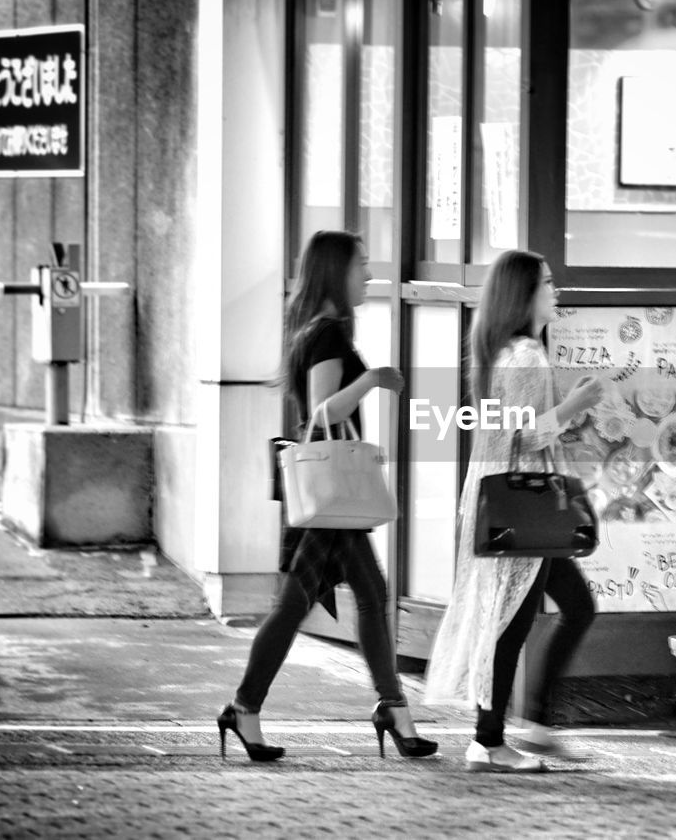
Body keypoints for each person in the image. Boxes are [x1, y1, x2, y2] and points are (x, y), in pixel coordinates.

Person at [218, 230, 436, 763]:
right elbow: (323, 413)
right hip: (326, 494)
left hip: (328, 494)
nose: (368, 274)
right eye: (361, 265)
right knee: (300, 603)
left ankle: (393, 710)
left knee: (362, 595)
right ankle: (246, 707)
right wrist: (376, 379)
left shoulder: (317, 332)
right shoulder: (327, 335)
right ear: (335, 272)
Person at [424, 249, 606, 773]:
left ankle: (529, 727)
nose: (556, 291)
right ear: (525, 293)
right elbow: (526, 435)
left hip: (508, 502)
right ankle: (490, 740)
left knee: (556, 609)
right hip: (520, 506)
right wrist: (578, 402)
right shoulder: (525, 356)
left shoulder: (502, 352)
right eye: (548, 283)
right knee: (510, 622)